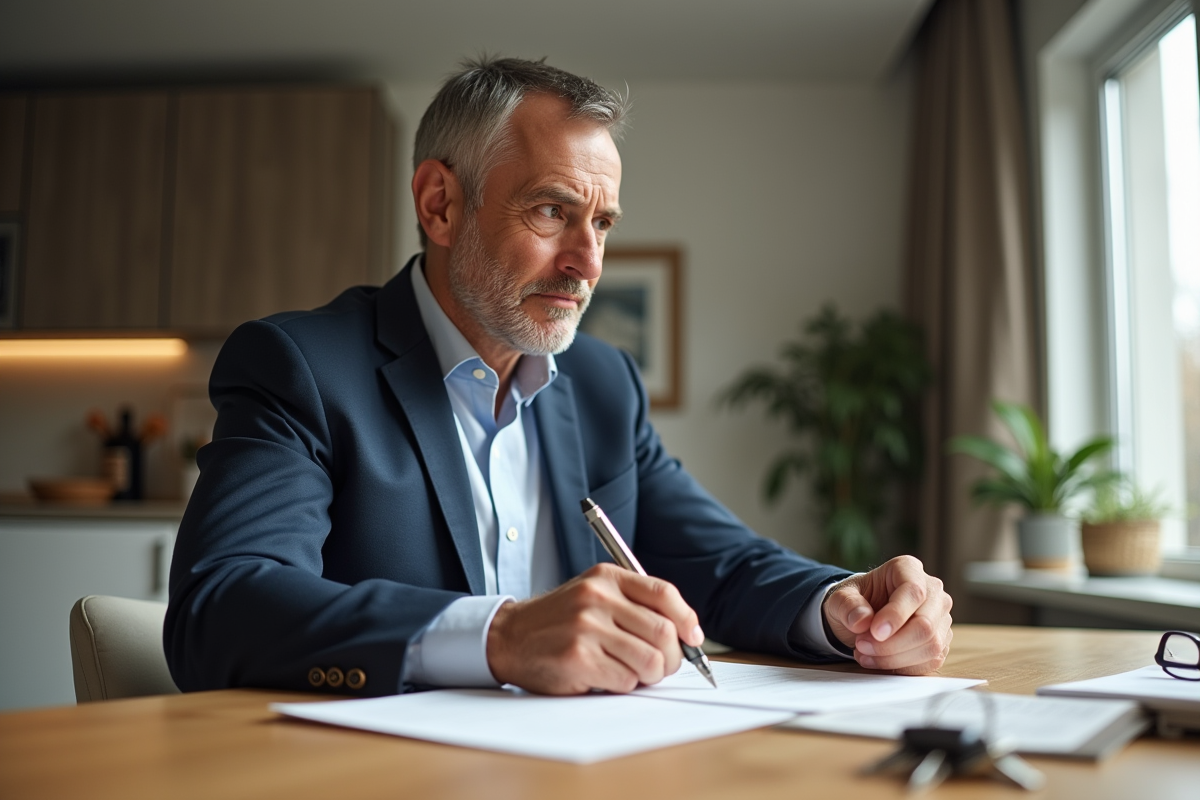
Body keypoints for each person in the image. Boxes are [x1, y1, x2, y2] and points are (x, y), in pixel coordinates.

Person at [164, 57, 952, 698]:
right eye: (551, 212)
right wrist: (501, 634)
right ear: (440, 205)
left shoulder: (605, 384)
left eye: (601, 222)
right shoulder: (301, 366)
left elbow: (725, 564)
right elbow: (219, 608)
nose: (587, 262)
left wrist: (845, 606)